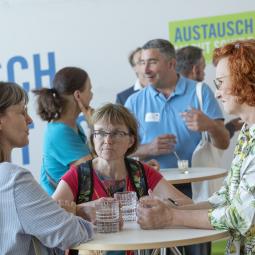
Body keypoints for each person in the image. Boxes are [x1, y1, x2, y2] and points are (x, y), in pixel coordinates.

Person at [137, 39, 255, 255]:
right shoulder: (248, 132)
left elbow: (240, 216)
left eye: (220, 82)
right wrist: (172, 209)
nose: (218, 93)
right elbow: (226, 198)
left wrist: (171, 216)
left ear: (245, 80)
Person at [0, 81, 94, 254]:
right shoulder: (12, 179)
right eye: (22, 112)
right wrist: (69, 215)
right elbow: (73, 234)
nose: (29, 120)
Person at [34, 67, 93, 195]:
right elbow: (95, 171)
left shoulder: (74, 125)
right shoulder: (60, 132)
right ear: (78, 95)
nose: (92, 95)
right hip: (58, 209)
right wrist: (94, 126)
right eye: (90, 90)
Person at [176, 45, 243, 139]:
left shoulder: (162, 94)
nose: (204, 74)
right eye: (203, 68)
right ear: (196, 70)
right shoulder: (202, 91)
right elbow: (218, 139)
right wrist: (232, 126)